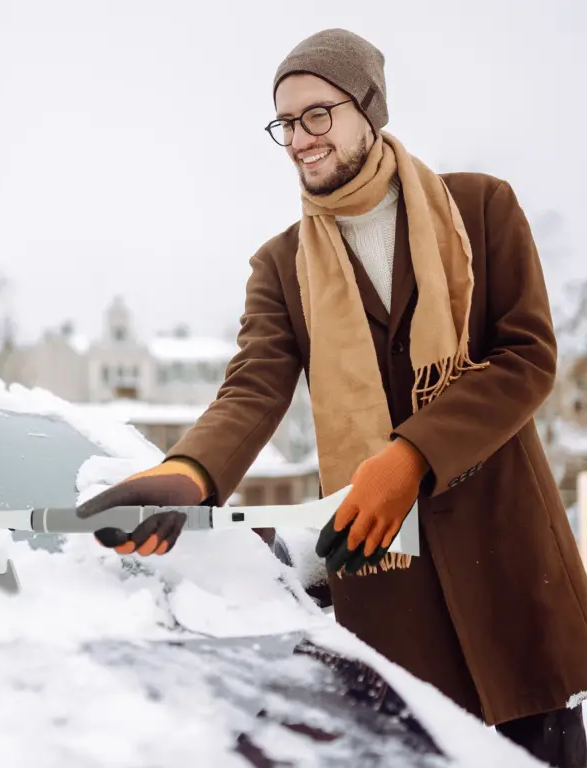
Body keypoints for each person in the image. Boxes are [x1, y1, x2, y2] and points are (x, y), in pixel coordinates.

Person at [76, 28, 587, 767]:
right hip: (391, 601)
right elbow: (253, 388)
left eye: (319, 114)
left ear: (369, 109)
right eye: (286, 122)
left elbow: (526, 357)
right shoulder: (282, 266)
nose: (300, 139)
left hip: (512, 572)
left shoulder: (479, 209)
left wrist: (411, 457)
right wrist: (191, 473)